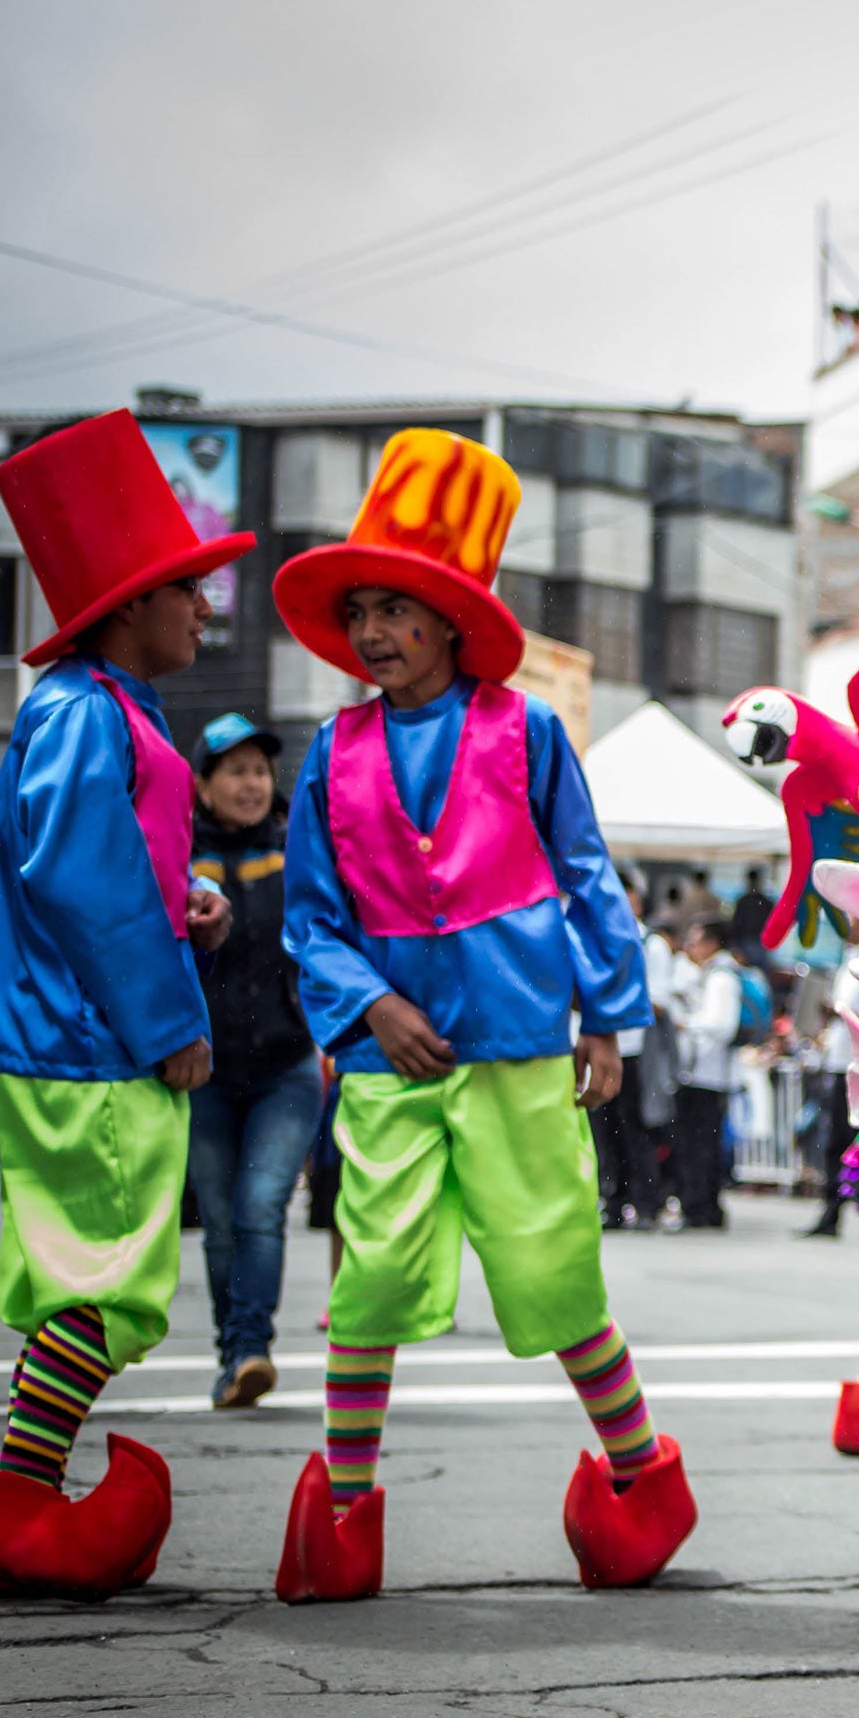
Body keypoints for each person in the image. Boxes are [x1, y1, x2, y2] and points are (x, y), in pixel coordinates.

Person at [271, 428, 692, 1601]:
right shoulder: (330, 752)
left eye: (398, 609)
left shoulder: (527, 731)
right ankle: (344, 1513)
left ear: (453, 622)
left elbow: (585, 869)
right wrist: (371, 1004)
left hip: (513, 1043)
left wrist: (605, 1016)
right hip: (388, 1062)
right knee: (374, 1279)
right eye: (361, 609)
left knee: (553, 1266)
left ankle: (638, 1475)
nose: (373, 633)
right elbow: (312, 917)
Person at [0, 410, 246, 1600]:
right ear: (129, 604)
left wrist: (181, 896)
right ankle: (18, 1503)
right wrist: (168, 1016)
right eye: (188, 589)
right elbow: (78, 871)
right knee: (110, 1279)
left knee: (89, 1275)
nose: (205, 609)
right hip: (90, 1042)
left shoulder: (96, 708)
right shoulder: (90, 709)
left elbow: (92, 860)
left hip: (62, 1031)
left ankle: (22, 1499)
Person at [187, 712, 323, 1410]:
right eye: (234, 770)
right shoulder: (175, 852)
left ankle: (250, 1348)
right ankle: (231, 1349)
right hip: (201, 1071)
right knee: (218, 1216)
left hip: (287, 1065)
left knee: (260, 1206)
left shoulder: (297, 850)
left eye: (260, 771)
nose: (250, 783)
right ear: (203, 784)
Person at [587, 867, 665, 1230]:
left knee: (636, 1128)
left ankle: (647, 1201)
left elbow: (659, 998)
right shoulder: (592, 935)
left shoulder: (652, 944)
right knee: (603, 1129)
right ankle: (612, 1199)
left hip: (634, 1046)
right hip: (595, 1044)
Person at [666, 919, 741, 1232]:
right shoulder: (703, 975)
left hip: (708, 1076)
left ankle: (702, 1206)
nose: (690, 948)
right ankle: (700, 1204)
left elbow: (722, 1025)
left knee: (701, 1145)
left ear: (713, 944)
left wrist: (688, 1024)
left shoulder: (722, 979)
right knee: (696, 1144)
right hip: (697, 1073)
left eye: (696, 941)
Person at [726, 865, 772, 962]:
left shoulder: (743, 901)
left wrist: (733, 943)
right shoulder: (765, 901)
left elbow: (736, 923)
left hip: (748, 941)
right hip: (760, 942)